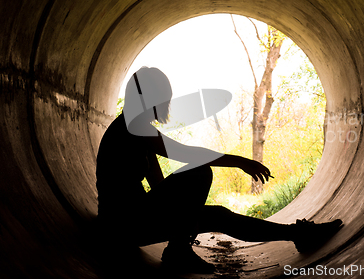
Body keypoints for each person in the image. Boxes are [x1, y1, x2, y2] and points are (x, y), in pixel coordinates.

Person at [96, 67, 342, 273]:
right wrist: (240, 161)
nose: (167, 102)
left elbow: (159, 187)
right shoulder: (134, 126)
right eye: (163, 95)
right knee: (200, 171)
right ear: (151, 96)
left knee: (218, 216)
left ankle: (297, 234)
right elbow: (184, 154)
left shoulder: (137, 127)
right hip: (121, 227)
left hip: (131, 222)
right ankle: (179, 251)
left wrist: (186, 219)